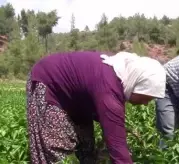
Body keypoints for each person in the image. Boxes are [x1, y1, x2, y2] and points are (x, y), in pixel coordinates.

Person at [26, 51, 166, 164]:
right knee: (57, 149)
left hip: (76, 98)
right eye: (147, 97)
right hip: (49, 82)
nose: (146, 103)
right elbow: (117, 146)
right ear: (137, 85)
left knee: (86, 146)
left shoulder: (119, 77)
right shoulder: (109, 89)